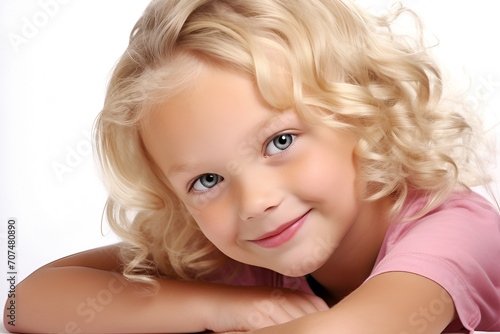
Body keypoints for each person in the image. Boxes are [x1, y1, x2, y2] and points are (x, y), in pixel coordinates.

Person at [4, 0, 500, 333]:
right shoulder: (235, 254)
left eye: (280, 141)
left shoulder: (454, 230)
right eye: (207, 180)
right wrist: (222, 306)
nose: (255, 201)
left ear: (362, 113)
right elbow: (23, 303)